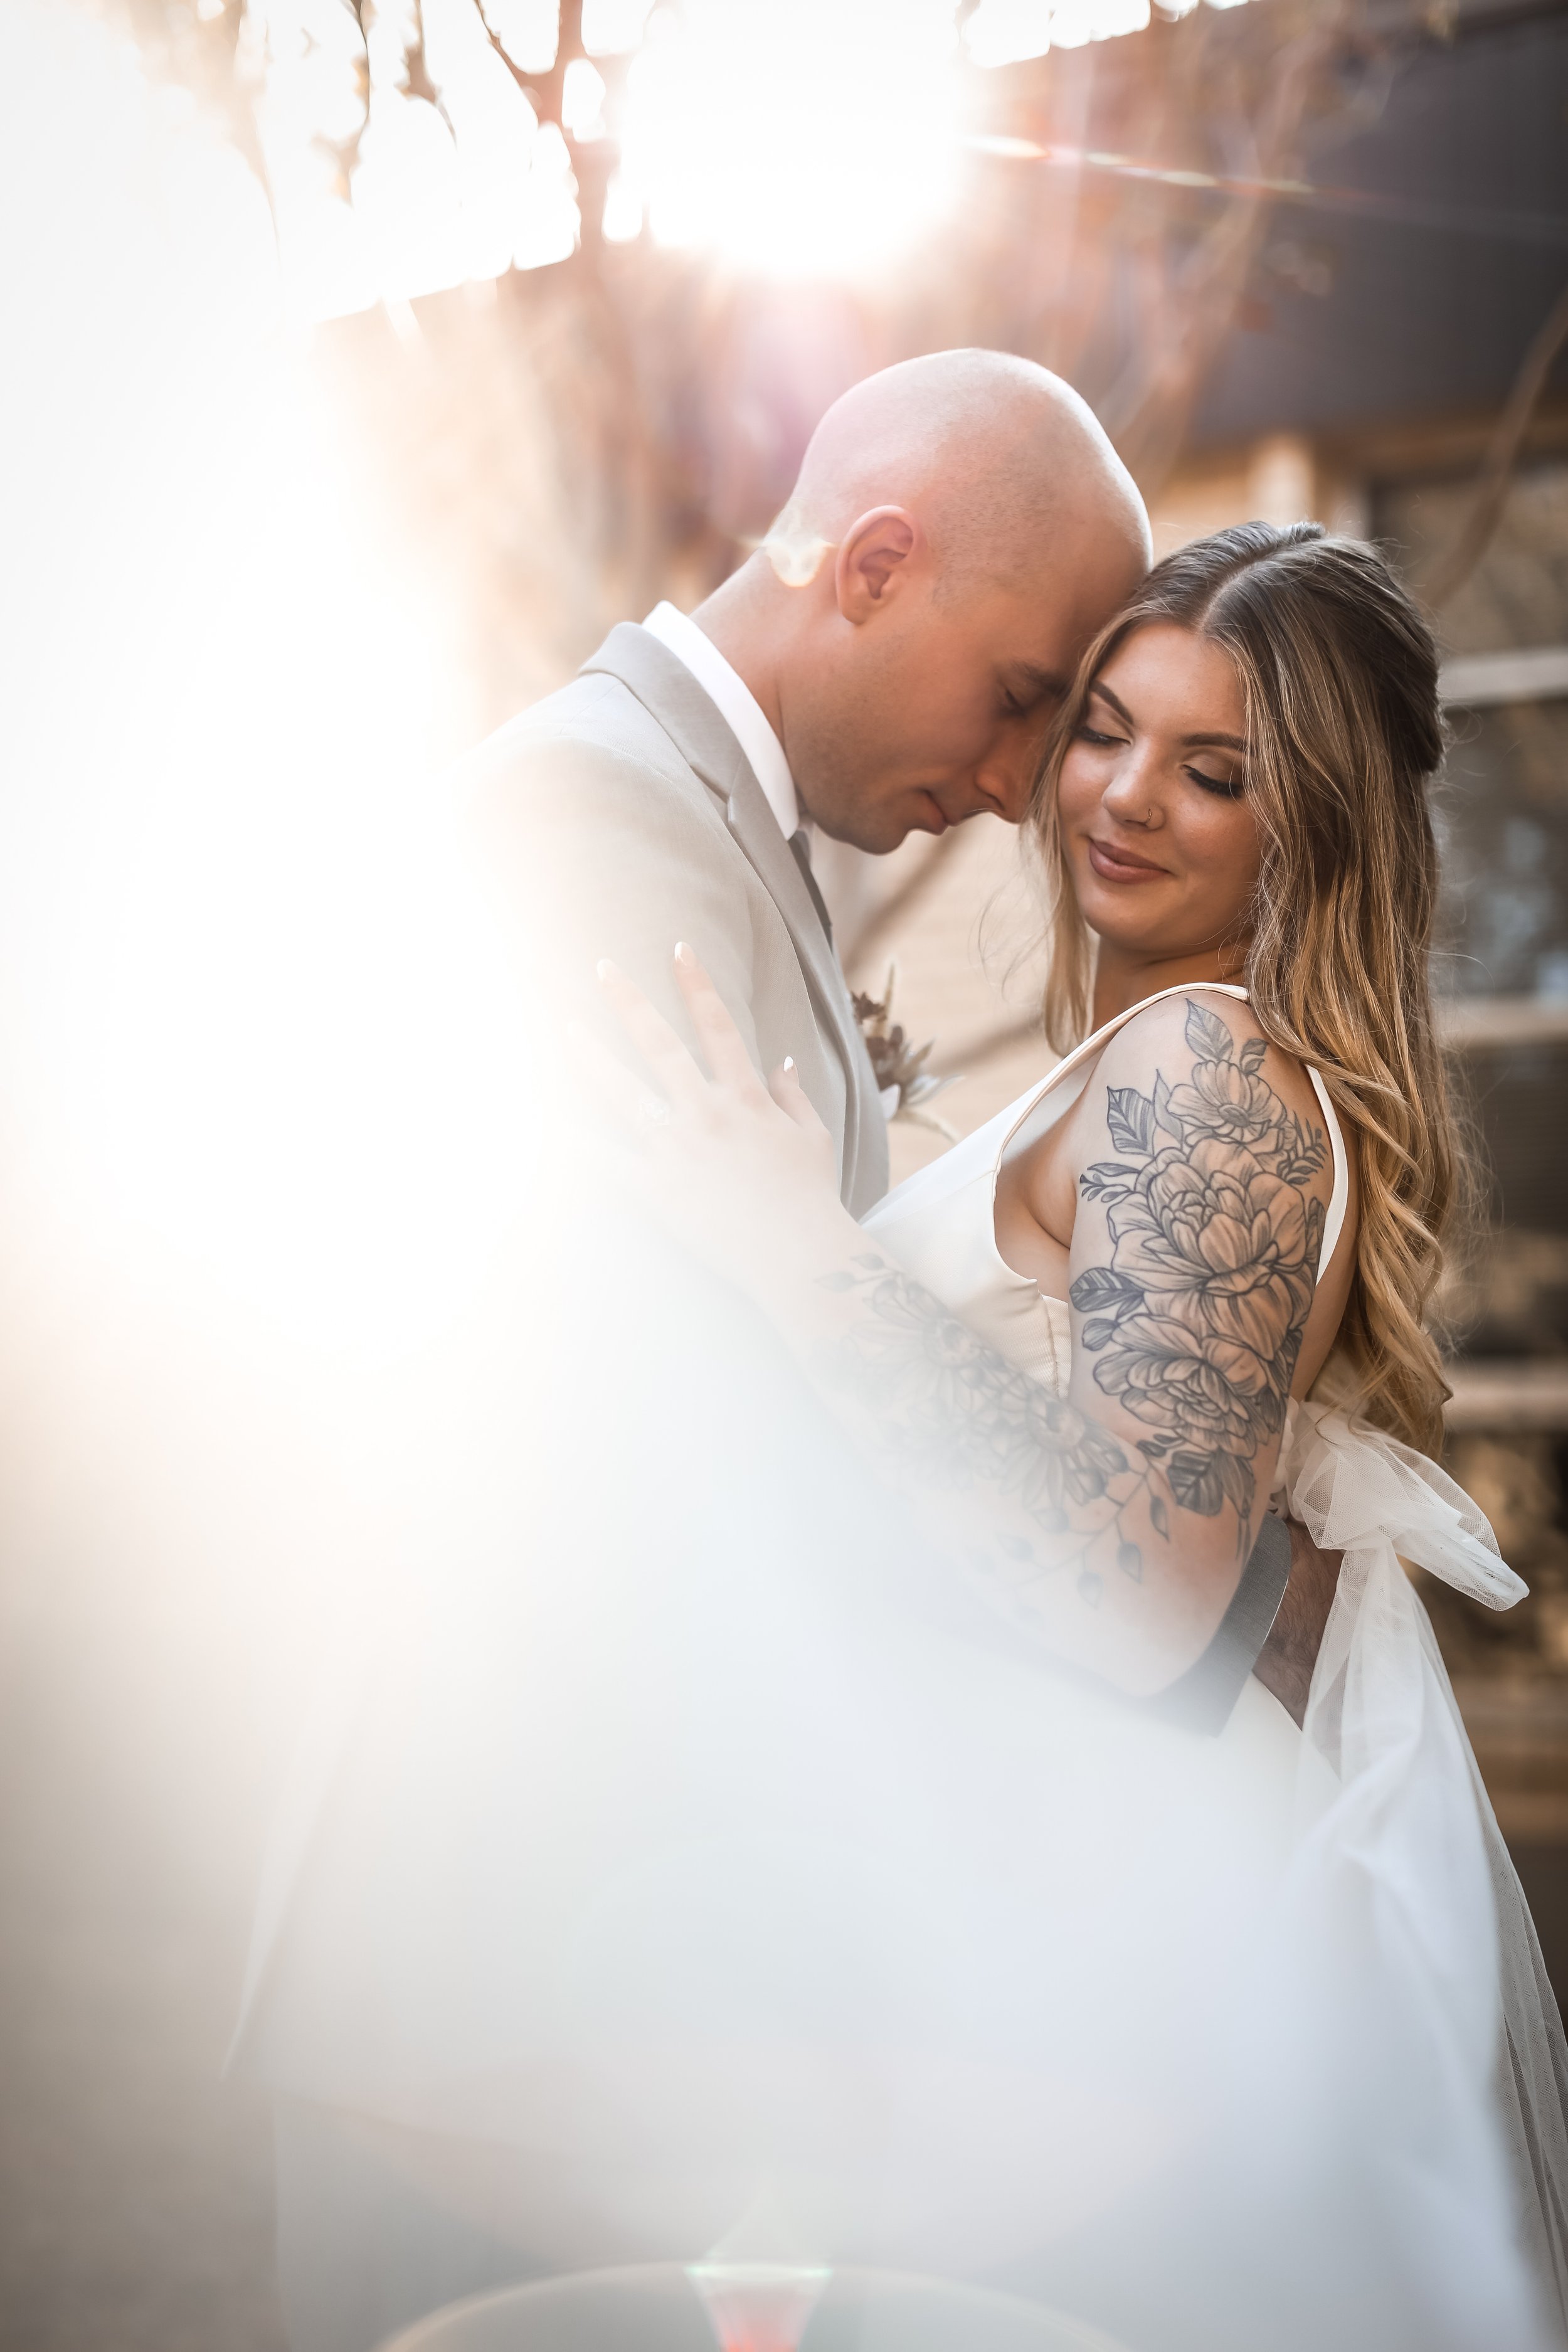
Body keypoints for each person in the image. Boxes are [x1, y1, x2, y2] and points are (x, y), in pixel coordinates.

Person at [238, 356, 1335, 2352]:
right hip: (503, 1920)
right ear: (876, 564)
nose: (1021, 787)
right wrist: (1161, 1589)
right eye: (1030, 700)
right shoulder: (594, 811)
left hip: (626, 1929)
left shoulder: (708, 829)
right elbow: (657, 1425)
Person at [596, 522, 1568, 2349]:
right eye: (1104, 731)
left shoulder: (1209, 1072)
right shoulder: (1151, 1067)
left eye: (1213, 771)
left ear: (1313, 826)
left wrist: (800, 1241)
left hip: (1113, 1928)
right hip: (1027, 1881)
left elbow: (1142, 1586)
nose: (1122, 795)